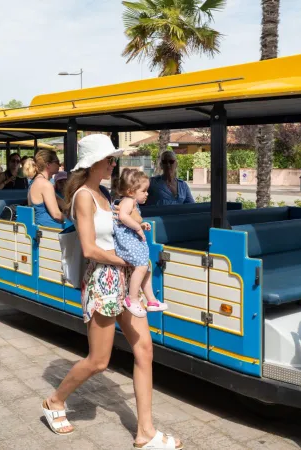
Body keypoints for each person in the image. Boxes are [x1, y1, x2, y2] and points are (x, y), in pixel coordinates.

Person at [42, 134, 182, 449]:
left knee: (144, 349)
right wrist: (127, 260)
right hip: (103, 280)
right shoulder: (83, 197)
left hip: (123, 278)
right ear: (94, 163)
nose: (113, 163)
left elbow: (124, 227)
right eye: (109, 159)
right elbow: (90, 248)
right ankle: (54, 400)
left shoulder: (105, 193)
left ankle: (145, 432)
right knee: (98, 361)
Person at [114, 169, 168, 317]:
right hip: (127, 242)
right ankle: (131, 299)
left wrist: (142, 225)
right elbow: (123, 216)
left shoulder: (131, 202)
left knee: (147, 268)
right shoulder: (128, 201)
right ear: (131, 191)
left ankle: (151, 300)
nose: (147, 194)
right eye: (143, 191)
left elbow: (128, 220)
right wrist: (138, 227)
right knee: (142, 266)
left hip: (132, 241)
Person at [27, 149, 64, 227]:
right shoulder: (45, 184)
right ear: (48, 165)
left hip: (39, 226)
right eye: (57, 162)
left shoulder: (34, 181)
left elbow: (59, 200)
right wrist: (75, 218)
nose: (60, 165)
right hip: (48, 229)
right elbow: (56, 215)